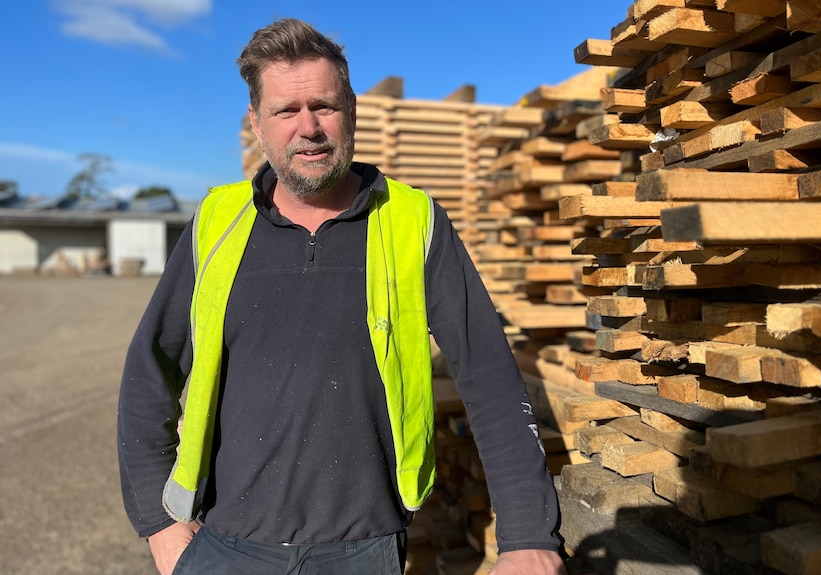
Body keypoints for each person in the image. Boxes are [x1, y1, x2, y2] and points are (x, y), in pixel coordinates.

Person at [117, 17, 565, 575]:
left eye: (324, 107)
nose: (309, 128)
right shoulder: (216, 223)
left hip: (364, 549)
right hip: (225, 544)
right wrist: (159, 524)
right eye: (286, 111)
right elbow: (147, 372)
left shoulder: (413, 222)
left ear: (351, 108)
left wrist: (527, 535)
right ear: (257, 122)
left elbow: (489, 377)